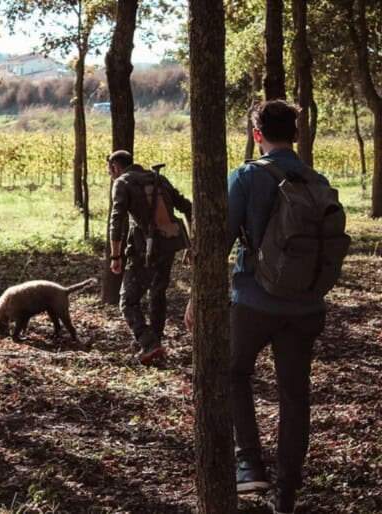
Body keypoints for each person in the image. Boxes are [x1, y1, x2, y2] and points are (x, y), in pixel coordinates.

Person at [186, 100, 330, 514]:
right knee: (294, 395)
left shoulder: (247, 176)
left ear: (257, 135)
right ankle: (286, 491)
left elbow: (220, 242)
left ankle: (249, 463)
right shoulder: (316, 178)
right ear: (297, 135)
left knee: (232, 372)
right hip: (306, 306)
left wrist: (198, 295)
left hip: (252, 301)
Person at [108, 150, 192, 364]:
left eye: (111, 172)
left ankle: (149, 342)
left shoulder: (122, 182)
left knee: (127, 301)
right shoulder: (158, 178)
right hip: (169, 244)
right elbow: (188, 208)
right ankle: (155, 340)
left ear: (115, 168)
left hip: (144, 249)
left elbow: (116, 221)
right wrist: (192, 243)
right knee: (158, 292)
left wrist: (115, 256)